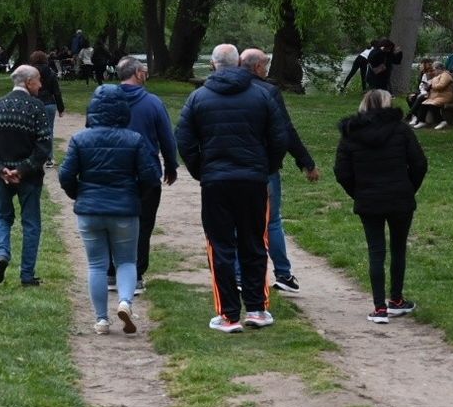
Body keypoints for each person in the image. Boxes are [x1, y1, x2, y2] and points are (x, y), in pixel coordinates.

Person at [174, 43, 288, 334]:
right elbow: (279, 138)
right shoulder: (262, 95)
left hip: (217, 182)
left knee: (220, 245)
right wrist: (266, 168)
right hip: (252, 180)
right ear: (238, 64)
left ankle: (228, 315)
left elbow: (184, 140)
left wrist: (202, 170)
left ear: (213, 65)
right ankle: (257, 309)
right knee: (254, 241)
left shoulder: (198, 98)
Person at [59, 85, 161, 335]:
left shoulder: (80, 139)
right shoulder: (134, 140)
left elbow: (65, 175)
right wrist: (135, 196)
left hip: (90, 210)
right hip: (125, 209)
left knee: (96, 265)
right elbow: (149, 177)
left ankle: (102, 319)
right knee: (127, 260)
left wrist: (79, 194)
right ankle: (125, 302)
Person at [335, 89, 428, 323]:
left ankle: (379, 307)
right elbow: (419, 163)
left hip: (369, 199)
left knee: (376, 251)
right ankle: (396, 299)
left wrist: (357, 193)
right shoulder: (402, 130)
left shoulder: (351, 134)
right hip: (399, 197)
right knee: (398, 249)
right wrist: (409, 187)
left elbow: (342, 171)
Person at [241, 48, 321, 295]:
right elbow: (285, 131)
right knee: (272, 221)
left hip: (231, 167)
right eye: (265, 65)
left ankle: (239, 274)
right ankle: (283, 273)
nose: (267, 70)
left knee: (238, 223)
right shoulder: (268, 92)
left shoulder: (222, 90)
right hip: (264, 167)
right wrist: (305, 162)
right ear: (256, 68)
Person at [0, 65, 53, 286]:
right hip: (28, 178)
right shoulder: (37, 108)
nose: (41, 85)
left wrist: (0, 169)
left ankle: (2, 253)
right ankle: (27, 275)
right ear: (29, 82)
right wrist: (22, 169)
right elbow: (44, 145)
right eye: (39, 80)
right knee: (31, 224)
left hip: (1, 176)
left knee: (2, 218)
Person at [112, 56, 178, 293]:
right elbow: (166, 139)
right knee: (143, 223)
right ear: (138, 74)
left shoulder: (106, 100)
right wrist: (171, 166)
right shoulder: (152, 103)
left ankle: (111, 272)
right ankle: (136, 274)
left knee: (113, 220)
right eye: (145, 71)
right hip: (145, 172)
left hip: (112, 170)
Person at [409, 61, 453, 129]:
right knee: (423, 104)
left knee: (432, 104)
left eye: (434, 69)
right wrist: (428, 86)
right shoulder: (438, 76)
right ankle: (421, 121)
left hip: (445, 96)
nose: (434, 71)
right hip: (437, 96)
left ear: (439, 69)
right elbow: (432, 85)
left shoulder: (446, 75)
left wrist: (432, 85)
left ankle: (442, 121)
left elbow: (441, 86)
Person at [28, 50, 64, 127]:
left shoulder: (29, 73)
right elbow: (57, 92)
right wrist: (60, 108)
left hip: (33, 103)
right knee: (49, 130)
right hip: (49, 103)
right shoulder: (51, 73)